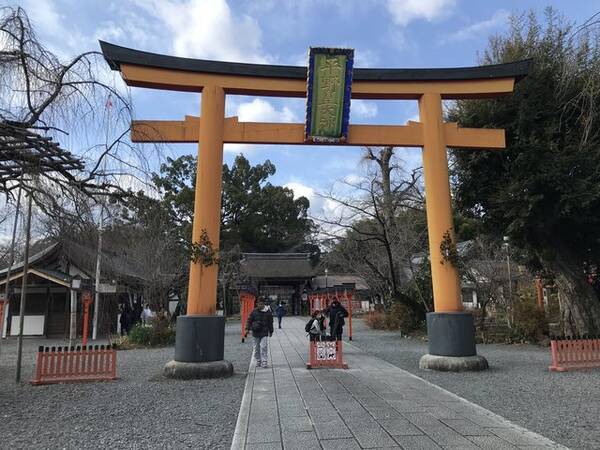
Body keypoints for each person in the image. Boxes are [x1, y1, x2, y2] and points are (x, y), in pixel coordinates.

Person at [245, 302, 274, 368]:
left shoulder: (268, 312)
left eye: (261, 304)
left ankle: (264, 361)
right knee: (256, 348)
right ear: (257, 304)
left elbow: (270, 322)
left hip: (264, 332)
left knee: (264, 346)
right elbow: (249, 320)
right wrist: (247, 329)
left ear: (264, 304)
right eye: (259, 304)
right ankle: (258, 360)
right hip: (255, 332)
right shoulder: (254, 311)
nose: (260, 305)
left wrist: (271, 331)